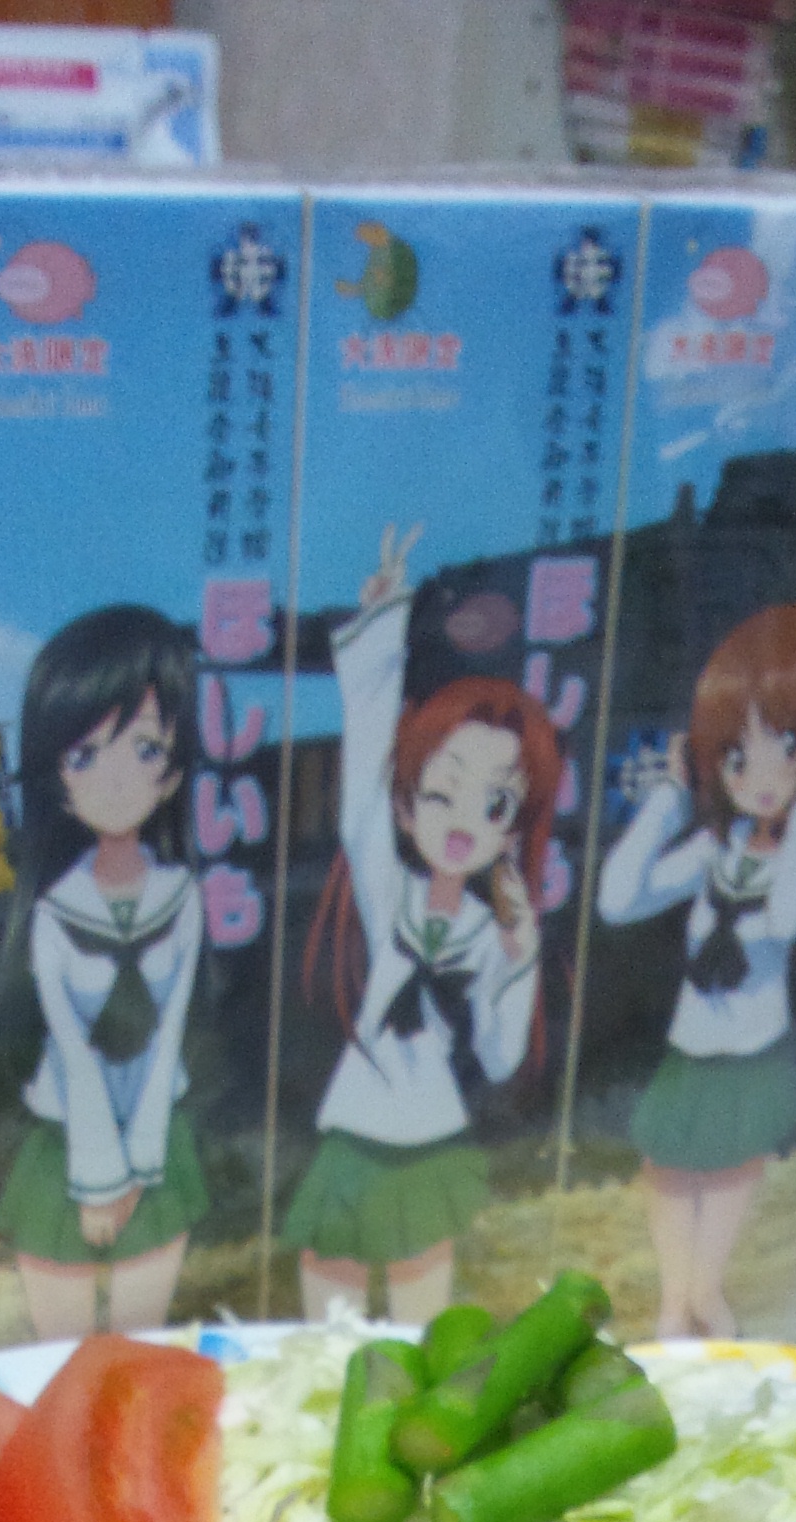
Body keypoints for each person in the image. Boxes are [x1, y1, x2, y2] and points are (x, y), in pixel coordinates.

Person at [287, 523, 559, 1325]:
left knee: (417, 1324)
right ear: (406, 806)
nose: (464, 822)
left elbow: (501, 1056)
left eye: (495, 804)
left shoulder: (486, 932)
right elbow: (362, 789)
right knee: (329, 1310)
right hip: (358, 1122)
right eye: (441, 793)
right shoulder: (388, 888)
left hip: (432, 1128)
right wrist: (383, 628)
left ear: (515, 824)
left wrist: (518, 961)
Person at [595, 604, 796, 1338]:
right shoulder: (720, 845)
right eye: (739, 756)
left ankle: (705, 1292)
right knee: (670, 1165)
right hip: (693, 1044)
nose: (762, 778)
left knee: (731, 1168)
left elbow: (785, 919)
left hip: (752, 1047)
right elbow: (619, 900)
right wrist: (667, 799)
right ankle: (677, 1301)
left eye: (788, 748)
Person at [0, 605, 207, 1343]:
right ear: (55, 774)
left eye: (143, 749)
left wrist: (139, 1168)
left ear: (173, 769)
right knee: (60, 1366)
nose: (114, 781)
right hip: (67, 1146)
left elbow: (169, 1037)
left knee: (141, 1359)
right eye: (85, 754)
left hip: (158, 1144)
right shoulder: (54, 910)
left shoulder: (180, 898)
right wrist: (100, 1179)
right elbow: (72, 1054)